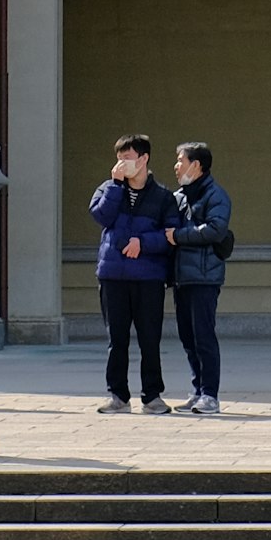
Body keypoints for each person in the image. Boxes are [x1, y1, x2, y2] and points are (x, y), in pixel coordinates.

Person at [87, 133, 175, 414]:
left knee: (150, 338)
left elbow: (172, 235)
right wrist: (115, 185)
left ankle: (152, 396)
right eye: (119, 157)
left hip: (148, 277)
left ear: (144, 159)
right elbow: (101, 217)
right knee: (117, 339)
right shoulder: (108, 188)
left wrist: (143, 243)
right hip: (112, 275)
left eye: (127, 157)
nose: (122, 163)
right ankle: (118, 395)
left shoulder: (163, 197)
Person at [163, 141, 235, 418]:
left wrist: (179, 236)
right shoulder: (180, 196)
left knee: (203, 336)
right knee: (187, 336)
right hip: (183, 277)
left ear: (197, 165)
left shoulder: (216, 195)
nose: (176, 165)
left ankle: (210, 395)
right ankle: (197, 389)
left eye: (181, 160)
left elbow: (216, 229)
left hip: (204, 277)